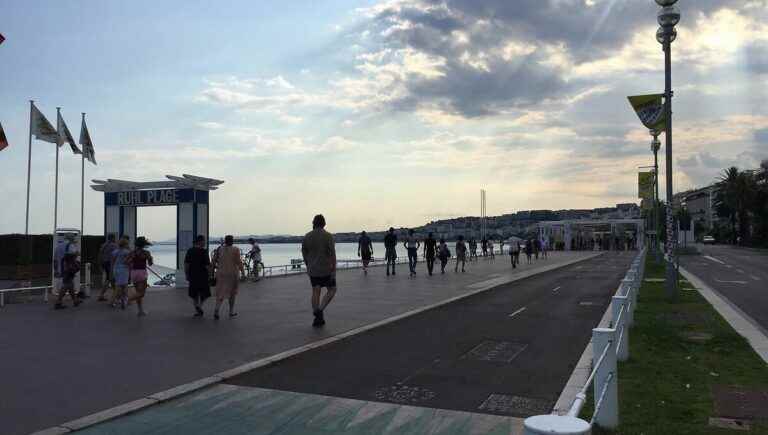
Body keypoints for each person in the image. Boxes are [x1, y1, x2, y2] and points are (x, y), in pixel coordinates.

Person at [301, 214, 337, 327]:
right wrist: (334, 271)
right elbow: (333, 255)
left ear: (313, 223)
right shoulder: (328, 236)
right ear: (324, 224)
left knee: (316, 290)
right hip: (326, 269)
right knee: (332, 289)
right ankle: (319, 310)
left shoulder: (307, 236)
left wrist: (308, 264)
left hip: (313, 269)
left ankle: (317, 314)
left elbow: (304, 252)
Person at [212, 235, 244, 320]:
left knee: (221, 293)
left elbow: (213, 261)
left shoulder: (219, 249)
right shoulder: (235, 249)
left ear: (225, 241)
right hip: (232, 274)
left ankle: (217, 309)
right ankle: (231, 311)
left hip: (221, 274)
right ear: (232, 241)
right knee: (232, 293)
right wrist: (243, 272)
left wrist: (212, 271)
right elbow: (239, 262)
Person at [185, 235, 211, 317]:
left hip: (192, 275)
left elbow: (186, 264)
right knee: (206, 293)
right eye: (204, 241)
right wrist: (210, 274)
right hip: (203, 276)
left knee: (194, 294)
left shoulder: (190, 251)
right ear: (200, 242)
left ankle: (197, 309)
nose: (205, 243)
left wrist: (187, 274)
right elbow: (207, 266)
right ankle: (199, 306)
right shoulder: (204, 251)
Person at [127, 236, 154, 317]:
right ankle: (128, 299)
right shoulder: (146, 253)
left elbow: (126, 262)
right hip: (142, 273)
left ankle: (140, 311)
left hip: (133, 273)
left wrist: (132, 263)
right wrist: (151, 258)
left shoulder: (132, 252)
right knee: (141, 293)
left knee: (138, 292)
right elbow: (150, 264)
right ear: (144, 244)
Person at [111, 237, 131, 309]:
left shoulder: (115, 252)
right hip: (124, 270)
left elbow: (112, 262)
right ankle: (125, 301)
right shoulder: (127, 252)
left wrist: (112, 271)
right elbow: (129, 262)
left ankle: (116, 301)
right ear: (126, 244)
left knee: (118, 285)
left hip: (116, 269)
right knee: (124, 286)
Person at [97, 234, 117, 302]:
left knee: (110, 279)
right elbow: (116, 255)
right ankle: (102, 295)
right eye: (114, 238)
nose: (115, 239)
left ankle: (115, 294)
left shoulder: (104, 245)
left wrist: (100, 264)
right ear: (112, 238)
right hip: (110, 264)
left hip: (104, 263)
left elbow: (99, 254)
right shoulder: (113, 245)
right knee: (109, 279)